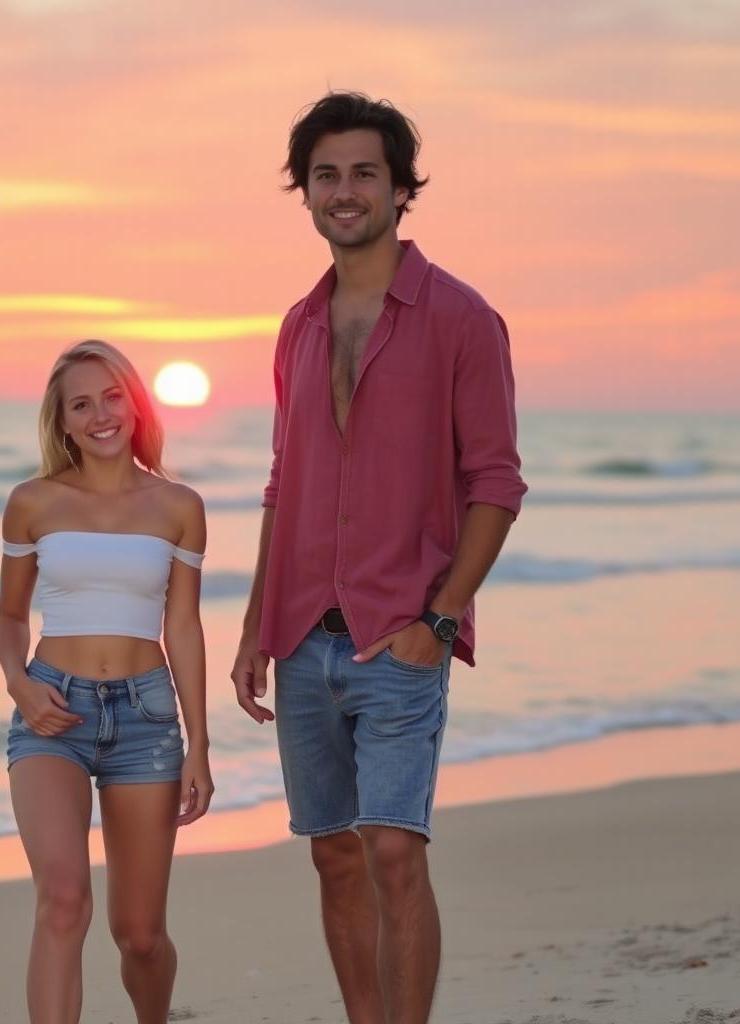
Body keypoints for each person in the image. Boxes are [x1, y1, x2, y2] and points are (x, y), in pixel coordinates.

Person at [231, 92, 527, 1024]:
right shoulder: (297, 326)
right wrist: (251, 628)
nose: (345, 191)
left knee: (394, 850)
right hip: (302, 635)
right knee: (331, 853)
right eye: (327, 175)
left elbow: (497, 483)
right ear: (306, 193)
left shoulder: (461, 318)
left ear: (402, 190)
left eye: (365, 173)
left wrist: (440, 620)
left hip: (400, 632)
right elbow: (286, 483)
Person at [0, 339, 212, 1024]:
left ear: (136, 401)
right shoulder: (32, 501)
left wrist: (199, 745)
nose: (99, 415)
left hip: (147, 719)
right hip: (52, 709)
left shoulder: (179, 505)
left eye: (112, 396)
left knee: (140, 936)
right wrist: (18, 684)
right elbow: (8, 614)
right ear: (61, 423)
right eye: (80, 404)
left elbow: (182, 627)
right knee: (63, 900)